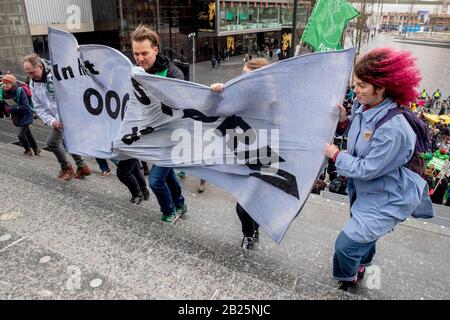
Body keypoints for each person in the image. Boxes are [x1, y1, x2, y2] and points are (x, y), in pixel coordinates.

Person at [323, 48, 434, 292]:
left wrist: (337, 155)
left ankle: (348, 279)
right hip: (367, 193)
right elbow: (360, 136)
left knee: (346, 245)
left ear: (381, 87)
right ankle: (363, 266)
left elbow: (368, 168)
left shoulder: (394, 128)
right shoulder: (364, 107)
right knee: (363, 234)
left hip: (388, 196)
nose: (356, 90)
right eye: (356, 84)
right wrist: (344, 121)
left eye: (362, 85)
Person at [210, 58, 270, 249]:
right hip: (242, 157)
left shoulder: (272, 100)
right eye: (242, 74)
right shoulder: (235, 95)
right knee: (246, 205)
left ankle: (250, 234)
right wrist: (216, 93)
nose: (242, 80)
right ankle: (251, 231)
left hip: (264, 158)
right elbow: (214, 112)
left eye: (248, 76)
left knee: (244, 205)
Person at [131, 24, 187, 222]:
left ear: (155, 50)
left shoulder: (174, 74)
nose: (139, 58)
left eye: (144, 53)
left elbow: (181, 104)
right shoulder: (134, 73)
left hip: (172, 138)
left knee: (155, 181)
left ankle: (169, 211)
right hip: (151, 136)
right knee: (167, 173)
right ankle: (180, 204)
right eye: (136, 54)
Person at [22, 53, 91, 181]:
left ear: (40, 66)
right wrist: (52, 121)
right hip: (55, 118)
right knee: (67, 140)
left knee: (52, 142)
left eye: (32, 72)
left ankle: (67, 168)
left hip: (68, 115)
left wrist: (59, 119)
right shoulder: (33, 83)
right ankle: (82, 166)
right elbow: (38, 106)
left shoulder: (56, 76)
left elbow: (67, 99)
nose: (30, 76)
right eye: (28, 73)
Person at [0, 74, 40, 156]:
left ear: (13, 84)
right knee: (28, 133)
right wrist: (5, 108)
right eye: (4, 83)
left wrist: (10, 109)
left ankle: (28, 150)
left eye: (7, 83)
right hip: (16, 116)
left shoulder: (20, 91)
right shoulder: (2, 91)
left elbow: (25, 106)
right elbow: (3, 103)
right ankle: (36, 149)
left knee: (20, 135)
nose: (5, 85)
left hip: (25, 115)